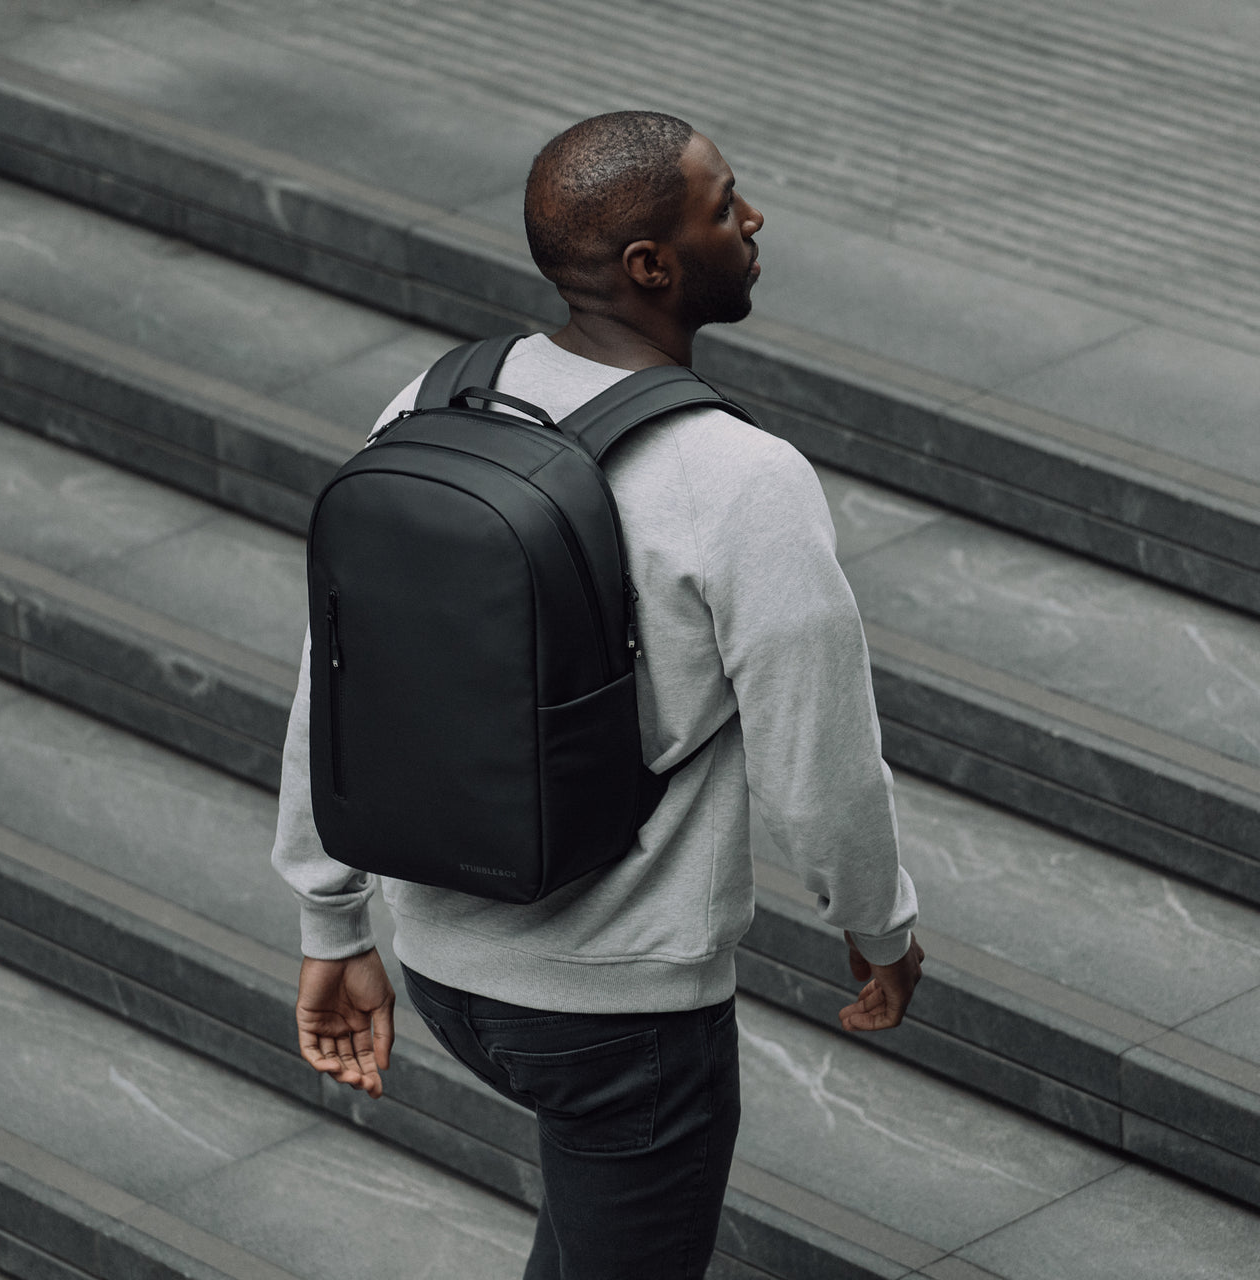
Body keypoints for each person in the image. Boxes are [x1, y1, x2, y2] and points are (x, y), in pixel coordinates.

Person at [271, 110, 923, 1280]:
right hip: (622, 1012)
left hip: (444, 969)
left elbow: (335, 678)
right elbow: (816, 759)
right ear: (650, 265)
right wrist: (876, 926)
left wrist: (331, 916)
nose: (752, 218)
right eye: (724, 204)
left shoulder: (433, 399)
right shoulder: (741, 478)